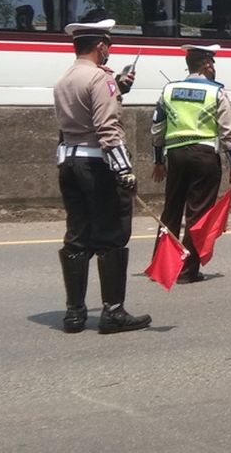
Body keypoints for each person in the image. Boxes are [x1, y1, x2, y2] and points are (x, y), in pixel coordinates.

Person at [54, 17, 151, 334]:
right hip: (98, 165)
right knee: (111, 237)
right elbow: (108, 130)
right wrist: (125, 170)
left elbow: (79, 116)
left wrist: (118, 89)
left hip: (69, 162)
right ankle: (112, 312)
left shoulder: (65, 79)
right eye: (107, 45)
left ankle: (74, 313)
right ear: (99, 46)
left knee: (77, 236)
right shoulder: (100, 79)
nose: (109, 51)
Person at [150, 43, 231, 283]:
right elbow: (228, 133)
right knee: (198, 214)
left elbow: (157, 129)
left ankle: (162, 265)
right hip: (204, 157)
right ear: (206, 65)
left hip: (176, 156)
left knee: (171, 210)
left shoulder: (168, 90)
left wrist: (158, 160)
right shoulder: (216, 92)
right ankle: (187, 270)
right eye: (212, 64)